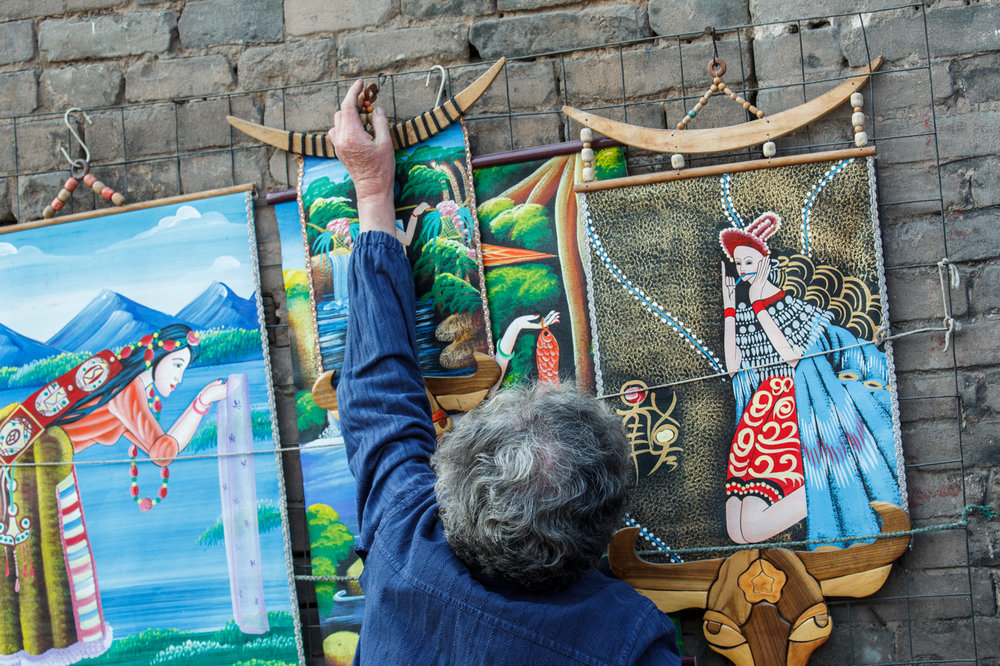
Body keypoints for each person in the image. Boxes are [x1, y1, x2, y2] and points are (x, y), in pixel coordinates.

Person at [331, 80, 681, 664]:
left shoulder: (406, 546)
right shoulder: (626, 644)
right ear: (603, 525)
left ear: (455, 490)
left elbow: (377, 401)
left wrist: (371, 190)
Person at [0, 323, 227, 660]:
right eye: (177, 364)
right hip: (29, 467)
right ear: (156, 356)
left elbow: (155, 449)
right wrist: (202, 402)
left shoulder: (120, 385)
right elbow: (163, 451)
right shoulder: (127, 390)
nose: (179, 375)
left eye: (185, 368)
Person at [720, 213, 901, 546]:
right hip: (758, 416)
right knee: (738, 531)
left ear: (765, 261)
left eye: (749, 261)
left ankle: (831, 486)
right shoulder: (745, 311)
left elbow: (792, 356)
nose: (742, 268)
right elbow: (733, 367)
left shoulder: (794, 308)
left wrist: (760, 302)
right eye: (738, 263)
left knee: (754, 528)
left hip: (794, 411)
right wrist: (731, 307)